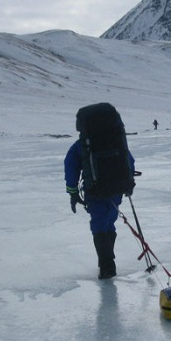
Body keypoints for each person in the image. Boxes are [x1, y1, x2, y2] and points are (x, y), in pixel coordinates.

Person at [64, 108, 135, 280]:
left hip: (95, 191)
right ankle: (108, 262)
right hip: (117, 188)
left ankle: (106, 266)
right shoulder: (116, 140)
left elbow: (71, 166)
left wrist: (73, 192)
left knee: (99, 223)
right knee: (109, 220)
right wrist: (128, 182)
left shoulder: (82, 145)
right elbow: (128, 159)